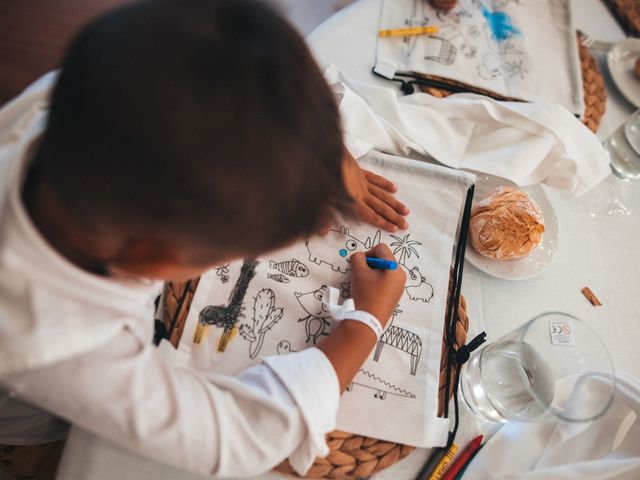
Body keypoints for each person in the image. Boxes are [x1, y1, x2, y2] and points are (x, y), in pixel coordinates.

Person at [0, 0, 408, 478]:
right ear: (153, 261)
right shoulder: (55, 342)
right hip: (36, 426)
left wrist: (309, 155)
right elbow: (239, 435)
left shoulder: (85, 98)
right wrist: (365, 325)